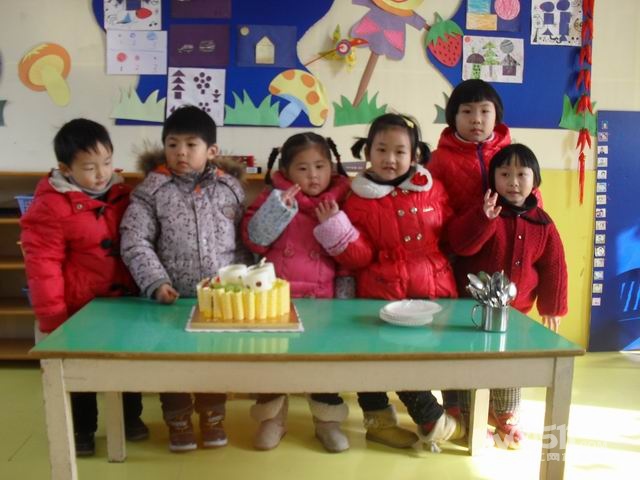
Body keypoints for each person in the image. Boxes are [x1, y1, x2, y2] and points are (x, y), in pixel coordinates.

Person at [314, 113, 464, 452]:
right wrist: (336, 227)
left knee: (425, 357)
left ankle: (438, 414)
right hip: (381, 293)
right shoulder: (357, 198)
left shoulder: (433, 188)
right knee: (376, 358)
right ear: (368, 151)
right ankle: (389, 422)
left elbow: (449, 234)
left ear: (415, 154)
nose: (390, 159)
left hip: (433, 290)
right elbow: (359, 257)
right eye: (381, 149)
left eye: (399, 151)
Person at [120, 105, 250, 452]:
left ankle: (213, 416)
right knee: (172, 361)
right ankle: (177, 420)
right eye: (172, 144)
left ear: (212, 151)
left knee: (213, 360)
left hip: (220, 299)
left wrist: (240, 283)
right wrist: (155, 282)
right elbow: (135, 240)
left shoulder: (230, 189)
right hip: (172, 298)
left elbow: (243, 241)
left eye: (191, 145)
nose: (181, 152)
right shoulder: (151, 190)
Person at [20, 118, 147, 456]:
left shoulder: (123, 194)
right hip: (79, 309)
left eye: (107, 162)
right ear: (66, 169)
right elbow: (42, 267)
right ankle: (82, 429)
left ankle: (130, 418)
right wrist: (53, 319)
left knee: (127, 363)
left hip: (123, 303)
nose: (102, 173)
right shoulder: (51, 205)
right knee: (80, 374)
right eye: (90, 168)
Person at [447, 144, 568, 448]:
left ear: (535, 180)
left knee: (512, 362)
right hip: (471, 313)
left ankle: (505, 413)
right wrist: (483, 218)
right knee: (469, 363)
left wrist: (552, 307)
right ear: (493, 179)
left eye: (521, 174)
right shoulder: (484, 212)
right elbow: (460, 245)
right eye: (504, 174)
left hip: (516, 313)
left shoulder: (543, 223)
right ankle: (469, 414)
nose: (513, 182)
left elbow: (554, 266)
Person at [241, 132, 353, 453]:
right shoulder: (272, 196)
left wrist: (345, 299)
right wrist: (277, 210)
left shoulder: (344, 198)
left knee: (325, 364)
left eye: (320, 166)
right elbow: (253, 241)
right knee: (274, 362)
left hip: (325, 299)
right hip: (277, 298)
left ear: (332, 166)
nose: (313, 175)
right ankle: (272, 419)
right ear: (287, 172)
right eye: (303, 168)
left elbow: (350, 255)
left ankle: (327, 421)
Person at [428, 79, 514, 215]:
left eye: (485, 111)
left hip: (507, 228)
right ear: (454, 117)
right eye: (467, 111)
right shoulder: (437, 160)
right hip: (458, 228)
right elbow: (430, 207)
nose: (476, 119)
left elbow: (531, 198)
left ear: (496, 116)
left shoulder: (512, 156)